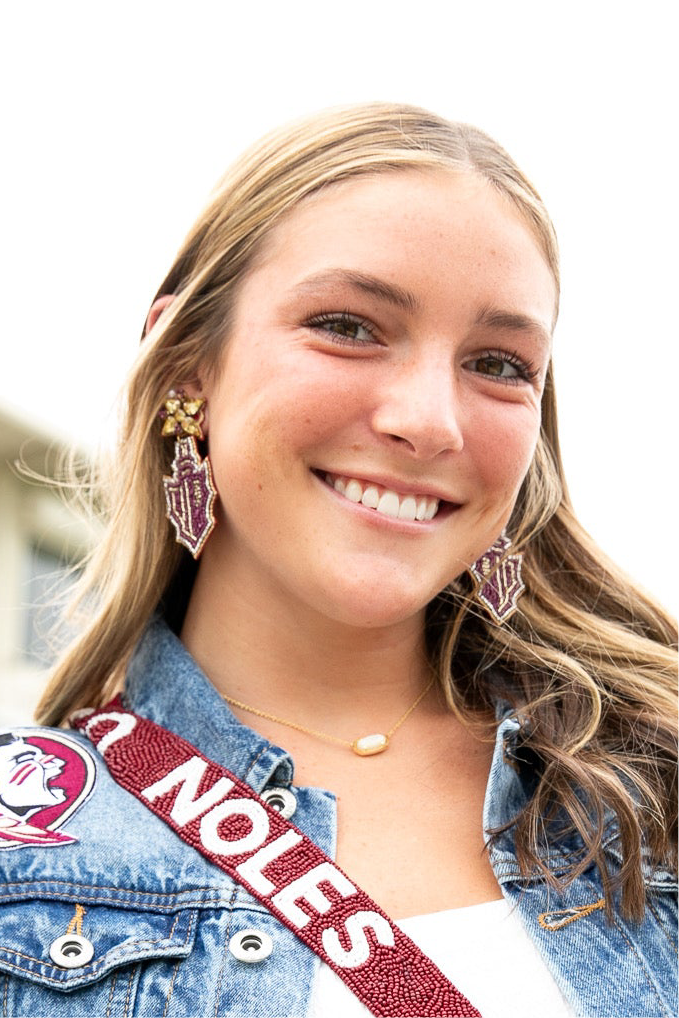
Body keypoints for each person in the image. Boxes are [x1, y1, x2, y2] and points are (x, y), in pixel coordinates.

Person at [2, 103, 678, 1017]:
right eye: (348, 325)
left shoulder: (652, 788)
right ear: (186, 368)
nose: (430, 421)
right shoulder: (26, 849)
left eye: (498, 362)